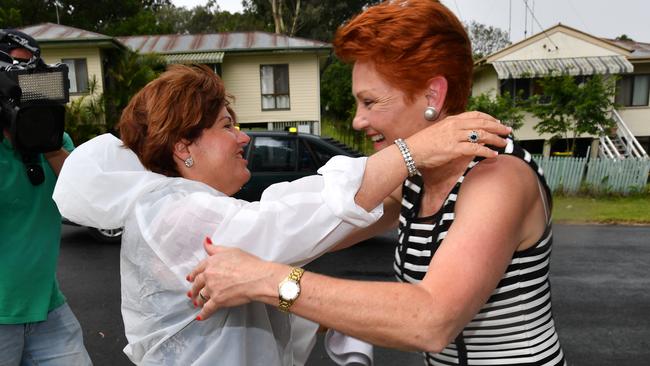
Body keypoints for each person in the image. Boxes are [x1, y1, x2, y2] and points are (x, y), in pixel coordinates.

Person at [187, 1, 567, 365]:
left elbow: (431, 320)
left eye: (370, 102)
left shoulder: (496, 176)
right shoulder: (414, 182)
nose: (357, 120)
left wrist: (268, 281)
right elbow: (312, 226)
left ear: (432, 94)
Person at [52, 63, 509, 365]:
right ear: (184, 147)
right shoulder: (171, 214)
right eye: (227, 125)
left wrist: (399, 188)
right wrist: (413, 153)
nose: (243, 137)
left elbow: (287, 215)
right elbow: (284, 224)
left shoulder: (187, 207)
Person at [0, 30, 92, 365]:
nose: (23, 78)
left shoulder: (55, 140)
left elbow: (84, 202)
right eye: (15, 68)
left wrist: (47, 140)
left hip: (46, 308)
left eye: (32, 69)